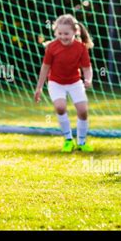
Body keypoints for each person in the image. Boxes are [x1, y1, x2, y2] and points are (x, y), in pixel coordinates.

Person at [34, 14, 94, 153]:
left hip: (74, 82)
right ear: (55, 32)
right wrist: (39, 88)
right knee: (60, 107)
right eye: (59, 33)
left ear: (75, 32)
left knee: (83, 111)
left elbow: (87, 67)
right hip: (56, 82)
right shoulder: (52, 47)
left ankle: (82, 142)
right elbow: (45, 68)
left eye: (66, 33)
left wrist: (88, 79)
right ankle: (68, 140)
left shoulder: (81, 47)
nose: (63, 36)